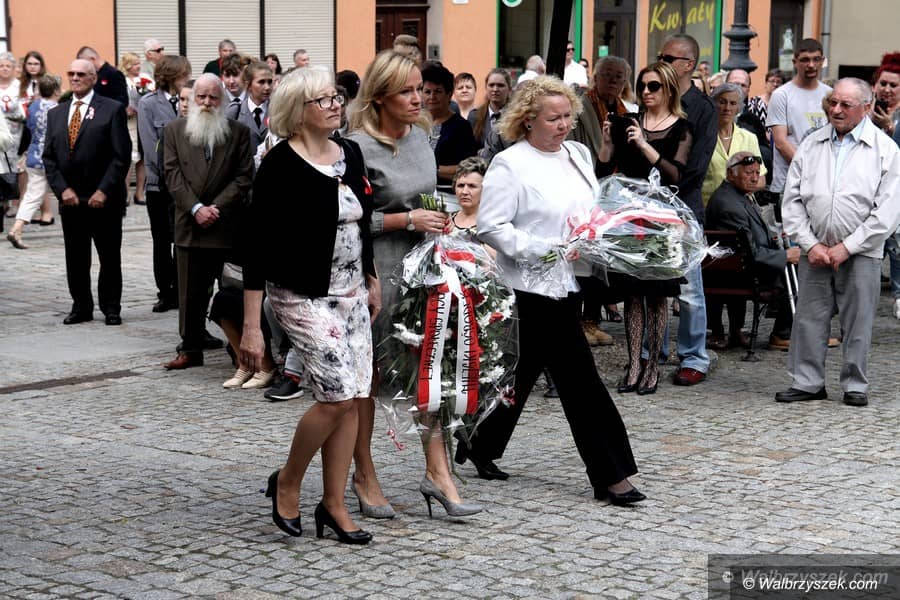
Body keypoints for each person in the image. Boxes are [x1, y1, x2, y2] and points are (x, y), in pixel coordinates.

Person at [458, 75, 644, 505]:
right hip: (530, 286)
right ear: (528, 120)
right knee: (581, 381)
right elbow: (491, 226)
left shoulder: (577, 154)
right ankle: (611, 474)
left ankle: (479, 441)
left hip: (571, 279)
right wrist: (545, 250)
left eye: (567, 117)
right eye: (553, 118)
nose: (563, 125)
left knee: (521, 369)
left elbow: (589, 209)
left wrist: (599, 234)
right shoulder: (510, 164)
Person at [241, 66, 380, 543]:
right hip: (301, 296)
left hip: (352, 294)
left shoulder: (350, 153)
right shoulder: (279, 164)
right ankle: (288, 480)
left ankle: (333, 504)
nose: (335, 104)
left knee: (352, 400)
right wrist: (252, 327)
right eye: (323, 100)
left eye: (335, 96)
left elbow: (361, 223)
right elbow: (256, 246)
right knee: (336, 396)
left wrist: (371, 278)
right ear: (297, 112)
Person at [348, 50, 474, 519]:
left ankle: (438, 472)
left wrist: (441, 221)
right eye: (406, 91)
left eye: (420, 89)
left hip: (425, 267)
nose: (418, 98)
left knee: (430, 368)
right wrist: (406, 219)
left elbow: (425, 197)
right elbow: (348, 218)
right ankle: (364, 473)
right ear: (380, 96)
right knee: (370, 377)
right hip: (377, 271)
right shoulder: (356, 147)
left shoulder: (421, 137)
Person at [776, 78, 900, 407]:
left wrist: (848, 247)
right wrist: (810, 243)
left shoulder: (884, 149)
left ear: (867, 107)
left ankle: (855, 384)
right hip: (815, 248)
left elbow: (888, 211)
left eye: (846, 104)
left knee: (858, 321)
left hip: (862, 251)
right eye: (833, 102)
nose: (836, 109)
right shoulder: (812, 143)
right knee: (809, 318)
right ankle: (807, 382)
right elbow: (792, 201)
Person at [598, 62, 692, 395]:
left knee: (657, 293)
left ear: (669, 89)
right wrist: (608, 142)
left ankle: (653, 365)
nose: (647, 92)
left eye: (654, 86)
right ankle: (634, 364)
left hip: (662, 220)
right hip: (629, 217)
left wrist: (643, 144)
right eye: (642, 86)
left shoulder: (681, 127)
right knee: (632, 292)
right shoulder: (630, 122)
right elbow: (603, 170)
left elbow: (675, 175)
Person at [162, 74, 253, 370]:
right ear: (191, 99)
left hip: (226, 224)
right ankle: (190, 347)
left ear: (222, 100)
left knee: (232, 290)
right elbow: (172, 175)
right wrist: (196, 208)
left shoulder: (238, 132)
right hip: (190, 223)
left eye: (213, 97)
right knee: (189, 292)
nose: (206, 103)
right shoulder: (174, 130)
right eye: (201, 96)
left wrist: (216, 208)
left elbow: (244, 176)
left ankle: (237, 347)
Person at [42, 59, 132, 325]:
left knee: (109, 256)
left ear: (93, 78)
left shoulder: (112, 109)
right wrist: (62, 190)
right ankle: (81, 306)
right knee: (76, 257)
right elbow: (49, 158)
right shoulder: (56, 113)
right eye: (71, 73)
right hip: (71, 200)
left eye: (81, 74)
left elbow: (121, 155)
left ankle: (111, 307)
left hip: (103, 200)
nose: (75, 78)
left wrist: (104, 190)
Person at [657, 33, 717, 386]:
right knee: (652, 285)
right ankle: (652, 351)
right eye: (661, 56)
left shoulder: (702, 107)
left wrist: (664, 183)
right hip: (651, 205)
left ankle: (694, 356)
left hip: (684, 205)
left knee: (690, 289)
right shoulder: (655, 96)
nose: (662, 62)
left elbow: (697, 165)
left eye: (668, 58)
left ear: (688, 65)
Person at [569, 55, 638, 345]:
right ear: (595, 77)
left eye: (618, 76)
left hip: (613, 192)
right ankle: (578, 322)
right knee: (583, 259)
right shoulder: (581, 106)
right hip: (586, 187)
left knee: (601, 261)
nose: (612, 80)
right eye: (607, 74)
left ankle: (592, 320)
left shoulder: (627, 111)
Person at [705, 152, 796, 349]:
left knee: (796, 264)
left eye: (757, 172)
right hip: (740, 273)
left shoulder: (735, 195)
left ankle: (741, 331)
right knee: (798, 270)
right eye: (749, 173)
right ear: (731, 174)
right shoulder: (729, 204)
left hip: (739, 268)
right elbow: (751, 254)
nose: (755, 178)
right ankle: (782, 333)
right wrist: (785, 255)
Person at [138, 55, 192, 313]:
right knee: (161, 241)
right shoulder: (148, 104)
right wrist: (167, 176)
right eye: (184, 75)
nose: (187, 78)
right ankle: (165, 292)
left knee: (183, 240)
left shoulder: (190, 100)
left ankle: (182, 290)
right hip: (159, 185)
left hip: (186, 185)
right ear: (172, 76)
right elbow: (150, 147)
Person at [766, 38, 831, 203]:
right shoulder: (782, 95)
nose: (811, 65)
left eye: (816, 59)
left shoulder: (830, 94)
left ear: (822, 61)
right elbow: (781, 143)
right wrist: (811, 171)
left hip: (823, 185)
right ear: (795, 62)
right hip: (789, 185)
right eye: (805, 60)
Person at [6, 75, 60, 249]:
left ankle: (16, 228)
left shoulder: (33, 106)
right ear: (56, 90)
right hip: (53, 157)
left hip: (34, 155)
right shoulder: (58, 109)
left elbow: (29, 126)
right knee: (69, 190)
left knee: (32, 195)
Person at [701, 83, 767, 206]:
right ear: (713, 104)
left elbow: (761, 180)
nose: (727, 108)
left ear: (738, 108)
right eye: (722, 102)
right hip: (707, 207)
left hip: (740, 208)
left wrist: (742, 186)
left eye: (733, 103)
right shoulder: (702, 136)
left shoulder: (749, 138)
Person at [421, 62, 477, 191]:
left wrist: (433, 170)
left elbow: (468, 168)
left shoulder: (461, 127)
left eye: (438, 91)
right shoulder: (415, 124)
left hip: (447, 194)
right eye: (427, 92)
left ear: (449, 94)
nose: (432, 97)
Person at [724, 69, 773, 178]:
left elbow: (765, 154)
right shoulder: (711, 115)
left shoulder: (753, 121)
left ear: (748, 90)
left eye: (743, 85)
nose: (738, 88)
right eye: (734, 84)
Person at [120, 52, 151, 206]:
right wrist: (125, 110)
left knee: (143, 157)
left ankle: (139, 193)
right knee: (129, 157)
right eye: (135, 64)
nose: (138, 66)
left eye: (139, 63)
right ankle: (125, 193)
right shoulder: (121, 80)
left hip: (143, 121)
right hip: (128, 122)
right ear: (127, 66)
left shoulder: (145, 78)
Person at [225, 61, 273, 151]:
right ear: (248, 85)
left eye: (270, 82)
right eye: (261, 82)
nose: (267, 87)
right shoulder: (235, 112)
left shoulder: (278, 111)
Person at [469, 68, 512, 150]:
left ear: (509, 89)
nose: (495, 89)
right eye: (491, 85)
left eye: (500, 85)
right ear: (486, 87)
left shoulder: (516, 116)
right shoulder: (475, 116)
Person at [870, 52, 900, 136]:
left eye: (893, 85)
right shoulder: (864, 108)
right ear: (875, 85)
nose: (887, 90)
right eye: (883, 84)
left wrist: (889, 126)